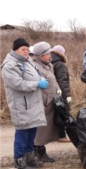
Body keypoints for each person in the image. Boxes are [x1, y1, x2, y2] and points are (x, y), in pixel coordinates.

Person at [1, 38, 48, 168]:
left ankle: (29, 159)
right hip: (22, 104)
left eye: (27, 49)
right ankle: (19, 162)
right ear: (15, 50)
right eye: (23, 49)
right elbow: (17, 84)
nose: (26, 52)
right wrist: (37, 84)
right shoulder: (10, 65)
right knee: (22, 134)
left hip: (33, 102)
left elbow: (37, 75)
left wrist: (42, 79)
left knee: (32, 132)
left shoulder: (28, 62)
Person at [33, 41, 61, 163]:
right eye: (47, 53)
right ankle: (39, 152)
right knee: (41, 128)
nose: (50, 55)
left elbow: (52, 80)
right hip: (43, 102)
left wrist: (58, 89)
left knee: (47, 127)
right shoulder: (36, 67)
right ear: (40, 56)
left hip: (51, 101)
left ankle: (40, 150)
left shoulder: (48, 65)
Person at [50, 45, 72, 142]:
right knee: (63, 113)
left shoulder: (50, 62)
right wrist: (67, 95)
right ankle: (62, 135)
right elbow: (62, 81)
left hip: (52, 91)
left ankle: (57, 135)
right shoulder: (60, 64)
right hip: (61, 92)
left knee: (55, 113)